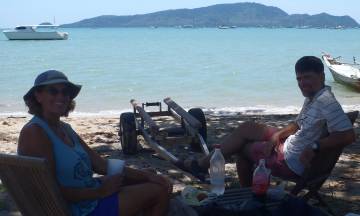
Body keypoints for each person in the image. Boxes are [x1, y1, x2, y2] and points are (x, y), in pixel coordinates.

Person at [179, 56, 356, 186]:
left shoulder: (327, 102)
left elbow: (348, 136)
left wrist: (315, 146)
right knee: (247, 128)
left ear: (322, 76)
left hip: (290, 161)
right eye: (299, 79)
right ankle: (203, 165)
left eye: (307, 77)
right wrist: (277, 136)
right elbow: (298, 124)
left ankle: (239, 189)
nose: (302, 83)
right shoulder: (314, 96)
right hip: (289, 145)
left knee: (242, 149)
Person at [18, 70, 172, 216]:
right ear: (38, 96)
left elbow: (100, 165)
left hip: (89, 194)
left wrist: (148, 176)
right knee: (159, 191)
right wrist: (100, 192)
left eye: (65, 92)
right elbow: (49, 189)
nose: (61, 96)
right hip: (79, 209)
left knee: (152, 178)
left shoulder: (64, 128)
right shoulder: (35, 133)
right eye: (53, 91)